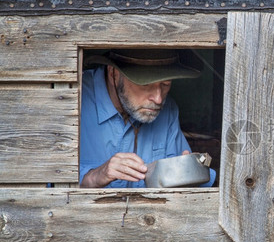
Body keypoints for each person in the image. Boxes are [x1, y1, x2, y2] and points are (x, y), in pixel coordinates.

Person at [80, 49, 216, 188]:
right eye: (145, 84)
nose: (158, 99)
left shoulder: (167, 109)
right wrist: (93, 178)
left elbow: (181, 185)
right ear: (113, 74)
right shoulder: (75, 100)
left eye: (166, 84)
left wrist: (190, 172)